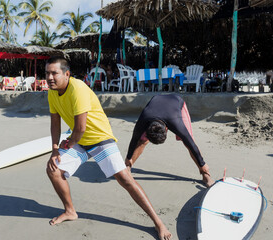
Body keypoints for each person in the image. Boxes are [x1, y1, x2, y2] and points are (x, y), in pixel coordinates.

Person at [45, 57, 172, 240]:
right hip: (79, 141)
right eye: (47, 73)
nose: (50, 77)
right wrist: (55, 149)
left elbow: (80, 128)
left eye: (54, 73)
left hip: (99, 138)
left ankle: (158, 222)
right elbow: (55, 123)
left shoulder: (77, 88)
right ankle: (70, 211)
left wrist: (70, 143)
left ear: (66, 74)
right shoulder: (52, 92)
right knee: (54, 170)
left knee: (124, 178)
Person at [125, 94, 214, 187]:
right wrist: (128, 159)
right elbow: (134, 140)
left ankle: (205, 175)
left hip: (177, 101)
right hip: (156, 101)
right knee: (141, 141)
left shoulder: (176, 123)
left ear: (166, 129)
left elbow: (191, 144)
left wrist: (203, 164)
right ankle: (127, 168)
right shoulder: (143, 120)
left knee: (188, 141)